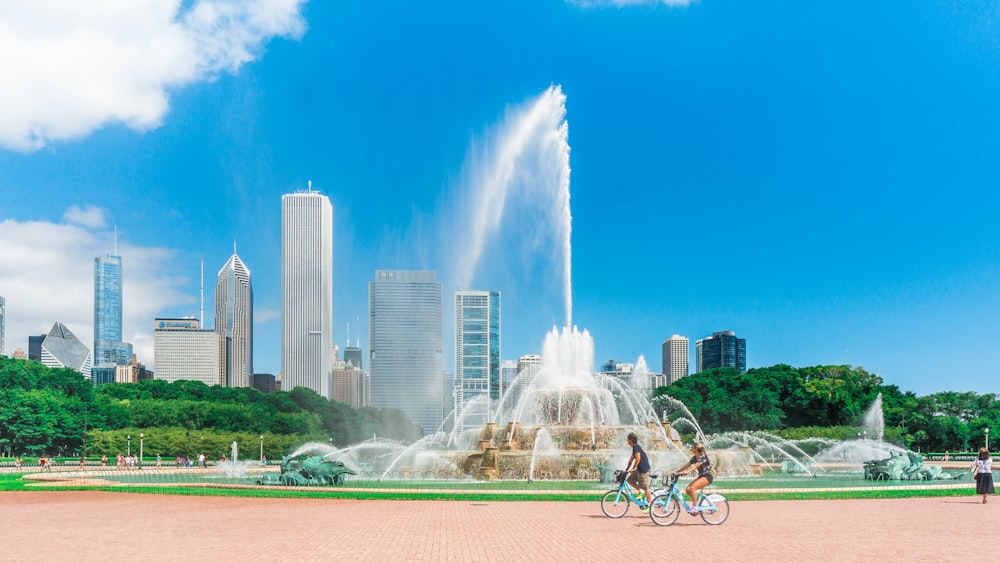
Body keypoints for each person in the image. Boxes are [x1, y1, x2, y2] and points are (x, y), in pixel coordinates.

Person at [673, 443, 714, 514]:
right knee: (688, 490)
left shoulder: (702, 457)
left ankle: (695, 508)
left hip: (707, 477)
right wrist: (676, 472)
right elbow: (686, 466)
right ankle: (698, 503)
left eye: (692, 447)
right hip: (701, 476)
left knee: (692, 488)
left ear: (696, 449)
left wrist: (687, 472)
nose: (691, 448)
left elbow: (695, 466)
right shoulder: (695, 457)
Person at [624, 432, 652, 512]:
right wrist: (626, 469)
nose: (627, 441)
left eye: (628, 439)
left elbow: (638, 458)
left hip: (643, 470)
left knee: (646, 488)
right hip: (639, 470)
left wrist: (634, 468)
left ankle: (650, 506)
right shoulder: (634, 448)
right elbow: (631, 459)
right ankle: (641, 491)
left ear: (631, 440)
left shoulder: (636, 446)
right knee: (629, 480)